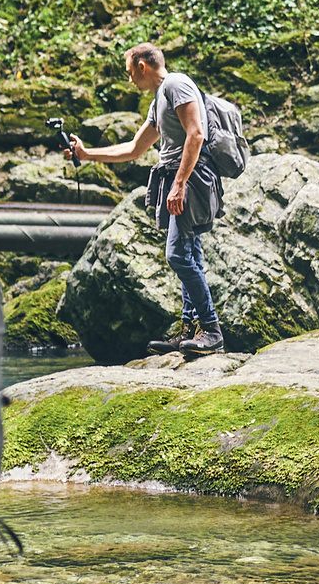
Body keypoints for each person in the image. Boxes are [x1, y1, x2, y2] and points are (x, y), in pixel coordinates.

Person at [66, 43, 225, 354]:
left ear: (141, 65)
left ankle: (212, 330)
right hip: (181, 180)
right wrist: (86, 155)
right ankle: (190, 330)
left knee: (177, 256)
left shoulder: (177, 84)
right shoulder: (160, 99)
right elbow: (134, 149)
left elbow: (196, 134)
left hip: (191, 181)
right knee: (190, 254)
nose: (130, 81)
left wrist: (178, 185)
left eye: (129, 73)